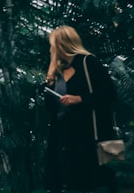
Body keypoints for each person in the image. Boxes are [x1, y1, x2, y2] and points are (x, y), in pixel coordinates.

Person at [43, 26, 117, 193]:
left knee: (93, 180)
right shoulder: (57, 72)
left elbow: (109, 93)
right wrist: (50, 78)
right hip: (64, 135)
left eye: (52, 45)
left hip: (90, 134)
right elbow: (49, 107)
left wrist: (80, 99)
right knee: (69, 180)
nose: (50, 50)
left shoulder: (88, 62)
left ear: (62, 45)